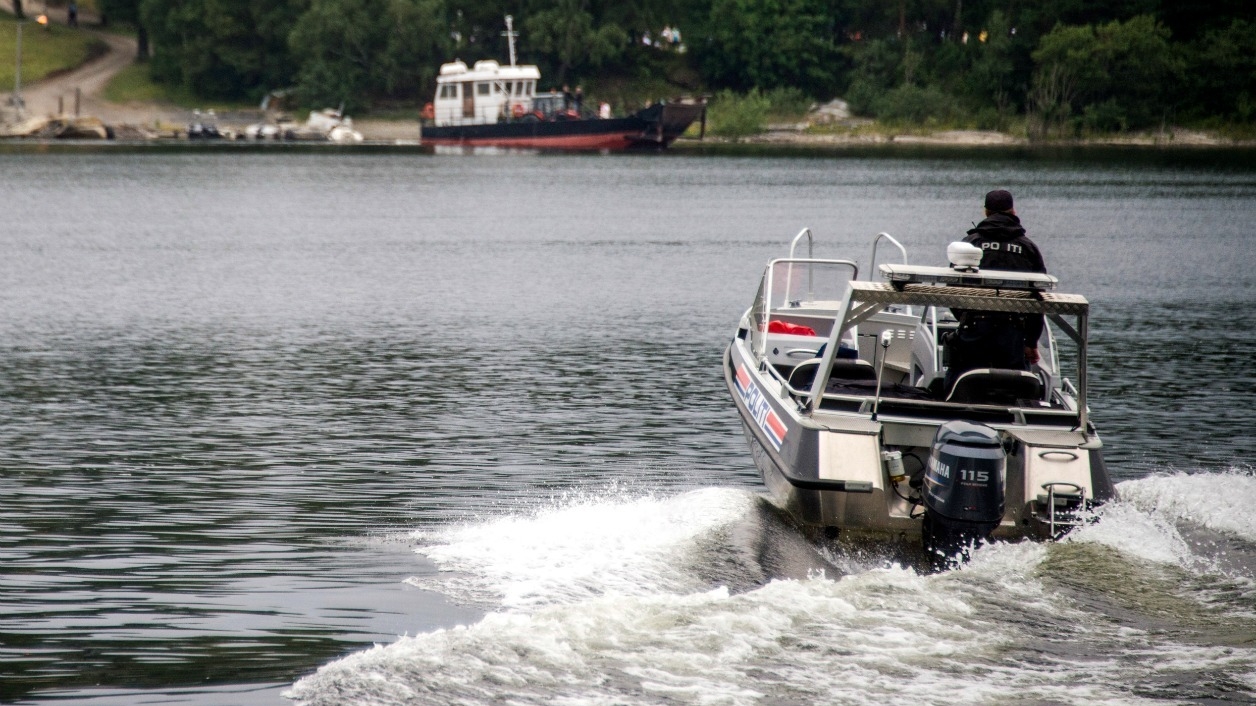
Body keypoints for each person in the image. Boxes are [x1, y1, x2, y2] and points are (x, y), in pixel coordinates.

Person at [943, 189, 1047, 394]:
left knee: (959, 387)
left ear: (986, 212)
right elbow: (1038, 298)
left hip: (974, 332)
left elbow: (952, 291)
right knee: (1014, 391)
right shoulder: (1028, 248)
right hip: (1012, 336)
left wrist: (966, 317)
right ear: (1013, 211)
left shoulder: (970, 245)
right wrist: (1031, 341)